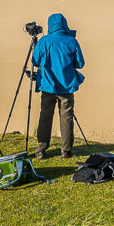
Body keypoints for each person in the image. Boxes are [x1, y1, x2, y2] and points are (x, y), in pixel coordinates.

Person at [31, 13, 85, 160]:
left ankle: (41, 149)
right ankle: (66, 150)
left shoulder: (44, 41)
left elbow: (35, 61)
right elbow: (80, 64)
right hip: (66, 86)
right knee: (66, 117)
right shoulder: (72, 41)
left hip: (48, 85)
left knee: (45, 116)